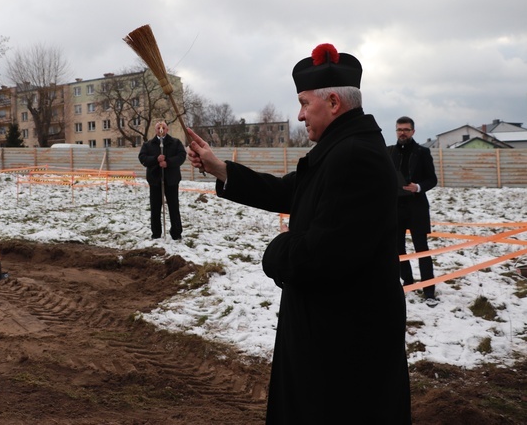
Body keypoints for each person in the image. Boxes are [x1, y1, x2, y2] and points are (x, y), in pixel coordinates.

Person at [185, 43, 411, 424]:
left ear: (334, 103)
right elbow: (290, 190)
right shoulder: (340, 148)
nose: (300, 114)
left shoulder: (355, 156)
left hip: (342, 344)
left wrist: (275, 251)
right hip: (331, 332)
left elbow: (325, 252)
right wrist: (220, 169)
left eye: (305, 103)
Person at [389, 116, 439, 307]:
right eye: (399, 129)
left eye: (406, 129)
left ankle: (429, 290)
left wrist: (418, 187)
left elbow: (432, 179)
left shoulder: (423, 152)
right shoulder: (390, 152)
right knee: (398, 249)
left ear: (413, 131)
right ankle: (407, 282)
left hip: (417, 207)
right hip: (395, 207)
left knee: (422, 249)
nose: (402, 132)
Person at [138, 120, 186, 240]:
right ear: (155, 130)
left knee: (173, 206)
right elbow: (143, 158)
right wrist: (156, 159)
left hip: (171, 180)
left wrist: (168, 162)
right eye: (159, 128)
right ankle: (156, 233)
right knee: (155, 207)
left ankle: (176, 233)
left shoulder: (175, 143)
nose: (161, 130)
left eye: (163, 128)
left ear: (167, 130)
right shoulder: (148, 144)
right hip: (155, 180)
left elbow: (181, 156)